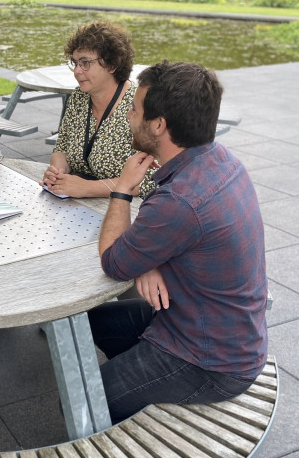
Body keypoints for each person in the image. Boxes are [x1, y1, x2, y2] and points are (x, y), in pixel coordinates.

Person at [89, 61, 268, 424]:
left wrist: (121, 190)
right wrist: (150, 260)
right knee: (95, 322)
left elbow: (112, 261)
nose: (128, 117)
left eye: (135, 109)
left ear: (158, 125)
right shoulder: (221, 160)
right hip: (217, 325)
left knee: (86, 398)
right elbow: (169, 235)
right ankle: (139, 390)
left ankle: (128, 403)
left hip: (213, 360)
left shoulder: (180, 201)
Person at [40, 21, 154, 198]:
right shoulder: (79, 97)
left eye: (85, 63)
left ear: (112, 64)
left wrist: (88, 188)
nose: (77, 71)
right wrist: (57, 172)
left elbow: (151, 179)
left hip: (126, 208)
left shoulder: (139, 104)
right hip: (77, 204)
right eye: (75, 62)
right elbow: (61, 147)